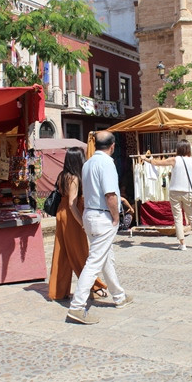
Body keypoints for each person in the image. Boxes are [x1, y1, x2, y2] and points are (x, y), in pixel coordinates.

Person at [66, 131, 132, 325]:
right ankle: (77, 307)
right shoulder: (107, 163)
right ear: (112, 146)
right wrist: (115, 217)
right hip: (102, 215)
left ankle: (119, 296)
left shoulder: (87, 164)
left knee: (105, 257)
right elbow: (110, 194)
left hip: (89, 214)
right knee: (95, 261)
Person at [48, 147, 108, 301]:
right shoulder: (74, 178)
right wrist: (82, 222)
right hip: (71, 216)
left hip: (62, 215)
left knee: (61, 253)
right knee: (80, 252)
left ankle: (58, 291)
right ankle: (94, 286)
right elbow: (71, 204)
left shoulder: (63, 175)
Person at [141, 139, 192, 251]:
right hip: (187, 191)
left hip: (175, 191)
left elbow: (157, 163)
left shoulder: (174, 160)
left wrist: (146, 159)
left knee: (178, 218)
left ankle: (182, 243)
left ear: (178, 149)